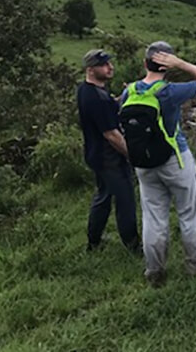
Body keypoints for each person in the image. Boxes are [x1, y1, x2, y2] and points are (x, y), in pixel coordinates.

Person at [119, 41, 196, 287]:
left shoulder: (128, 92)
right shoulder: (169, 91)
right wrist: (181, 64)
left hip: (143, 164)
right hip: (175, 159)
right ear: (167, 66)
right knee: (189, 213)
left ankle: (155, 272)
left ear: (144, 64)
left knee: (153, 217)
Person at [76, 49, 140, 253]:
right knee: (125, 200)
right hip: (109, 157)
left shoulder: (87, 90)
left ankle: (93, 243)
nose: (110, 67)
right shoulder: (97, 98)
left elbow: (109, 108)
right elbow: (111, 134)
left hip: (96, 154)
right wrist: (131, 155)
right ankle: (133, 245)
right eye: (104, 65)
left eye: (109, 63)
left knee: (103, 196)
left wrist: (124, 96)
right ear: (91, 70)